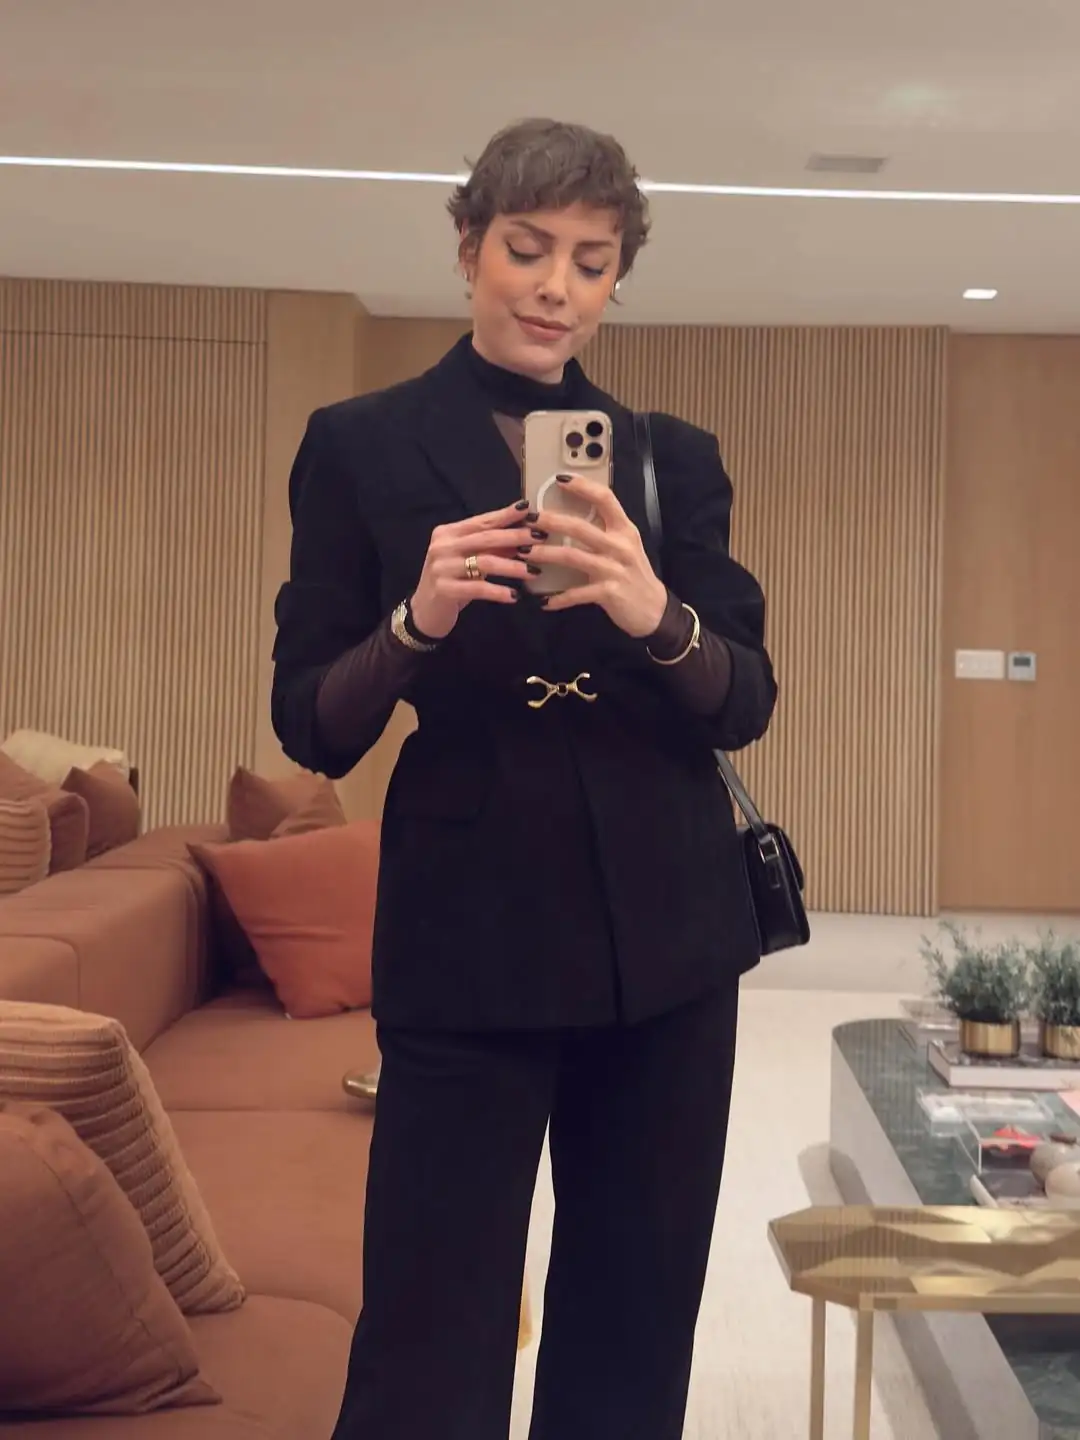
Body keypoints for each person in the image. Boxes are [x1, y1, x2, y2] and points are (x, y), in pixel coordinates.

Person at [271, 117, 776, 1440]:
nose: (557, 287)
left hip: (668, 940)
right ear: (469, 248)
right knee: (431, 1327)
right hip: (467, 937)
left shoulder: (669, 459)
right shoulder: (362, 445)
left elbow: (745, 699)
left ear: (616, 282)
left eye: (592, 263)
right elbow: (311, 724)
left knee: (634, 1320)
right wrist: (417, 617)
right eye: (529, 249)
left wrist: (654, 611)